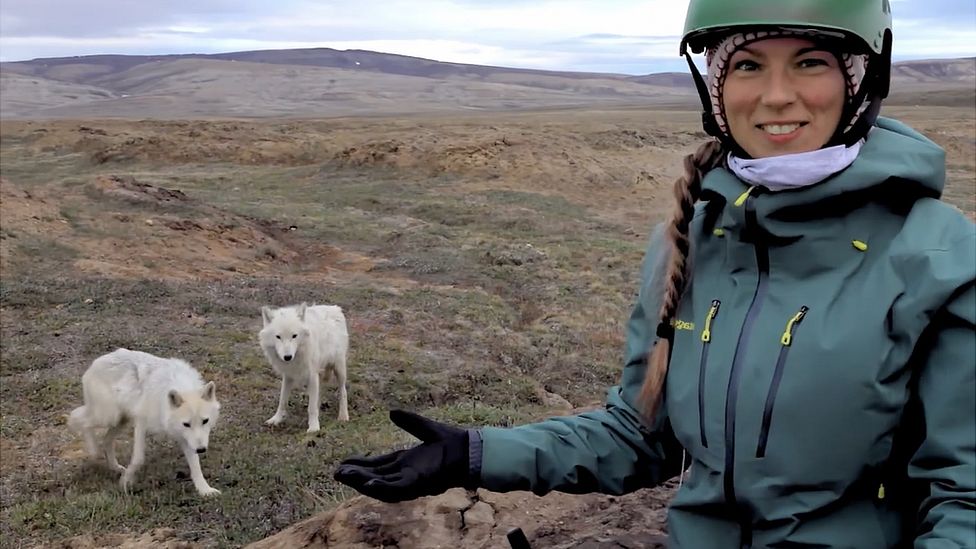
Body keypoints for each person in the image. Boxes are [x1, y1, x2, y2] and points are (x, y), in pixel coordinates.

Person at [335, 0, 976, 546]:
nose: (777, 96)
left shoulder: (935, 254)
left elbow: (964, 496)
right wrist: (472, 453)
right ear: (717, 91)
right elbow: (639, 438)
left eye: (811, 62)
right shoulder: (690, 241)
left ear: (862, 79)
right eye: (748, 65)